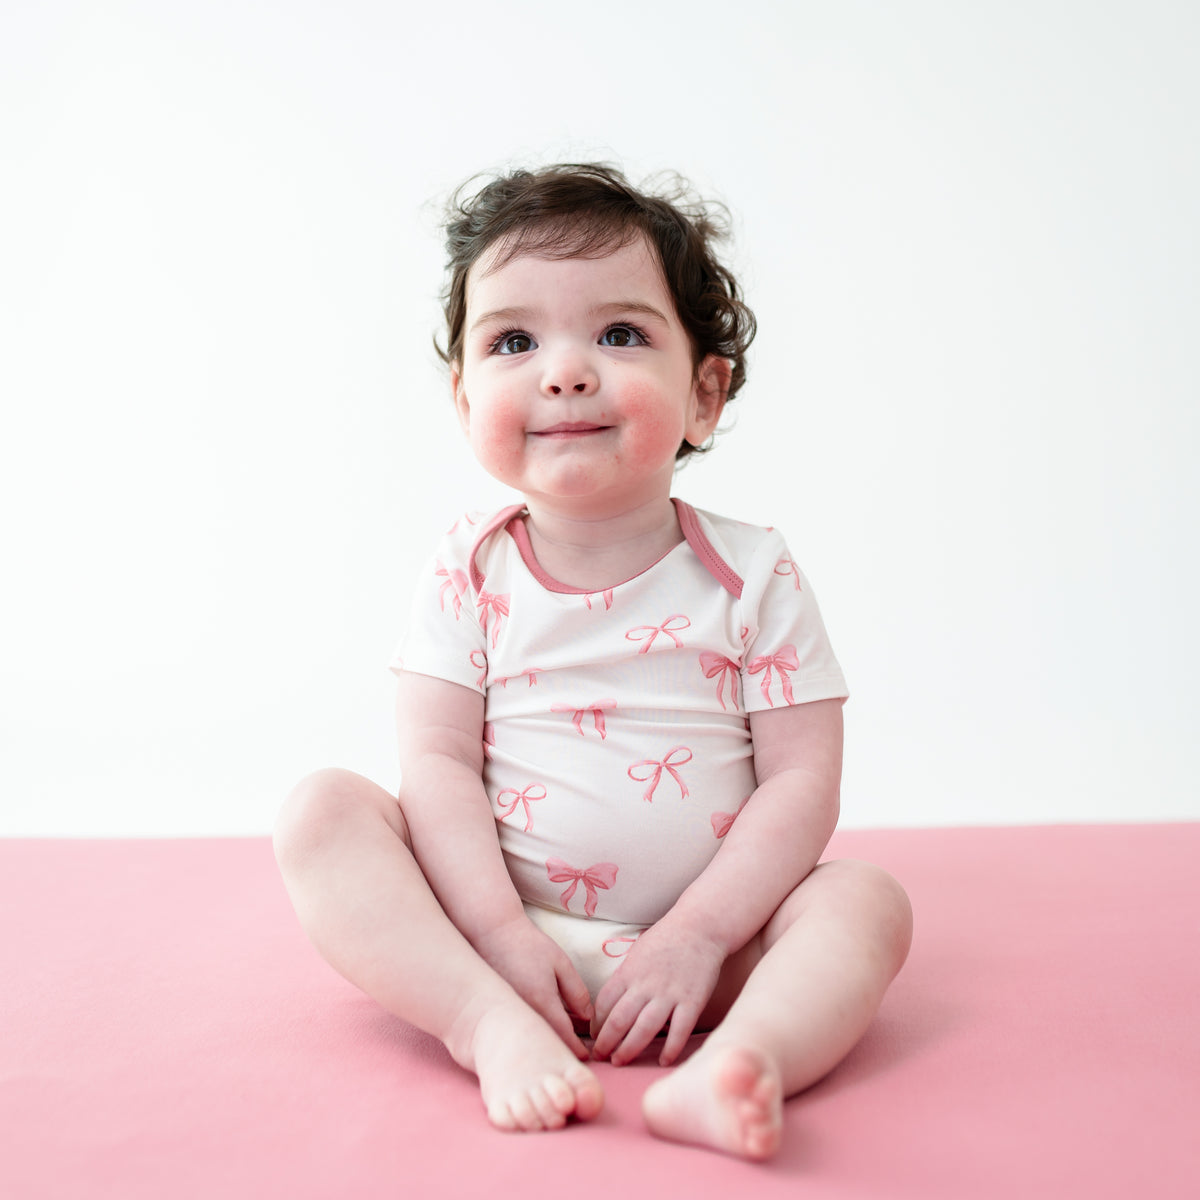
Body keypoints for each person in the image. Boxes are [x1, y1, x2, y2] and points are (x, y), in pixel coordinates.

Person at [274, 163, 913, 1160]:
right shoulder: (468, 569)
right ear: (464, 398)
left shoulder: (753, 574)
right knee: (323, 811)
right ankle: (484, 1024)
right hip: (499, 937)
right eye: (514, 342)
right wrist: (497, 937)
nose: (565, 372)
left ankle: (741, 1061)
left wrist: (701, 934)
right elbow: (437, 764)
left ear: (704, 394)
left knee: (866, 901)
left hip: (715, 950)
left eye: (618, 334)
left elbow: (802, 780)